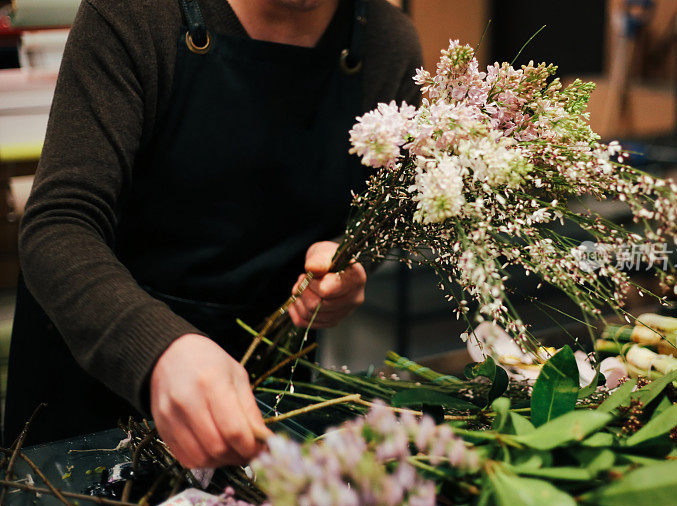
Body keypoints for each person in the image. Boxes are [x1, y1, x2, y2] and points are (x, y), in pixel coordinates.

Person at [3, 0, 421, 468]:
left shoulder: (388, 43)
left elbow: (381, 213)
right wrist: (159, 349)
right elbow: (59, 223)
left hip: (263, 391)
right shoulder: (135, 13)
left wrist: (347, 262)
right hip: (95, 390)